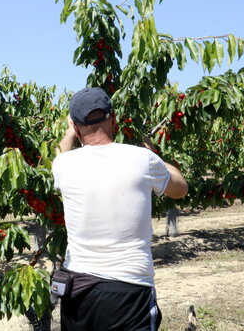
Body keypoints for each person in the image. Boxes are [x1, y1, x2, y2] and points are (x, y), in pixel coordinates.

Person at [52, 88, 188, 331]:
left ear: (75, 125)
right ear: (113, 118)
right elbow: (180, 189)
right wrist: (153, 155)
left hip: (78, 288)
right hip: (128, 289)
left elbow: (61, 150)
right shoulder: (142, 159)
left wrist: (68, 133)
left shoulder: (63, 164)